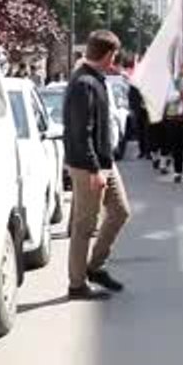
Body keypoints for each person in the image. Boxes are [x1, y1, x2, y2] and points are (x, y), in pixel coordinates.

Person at [62, 30, 130, 301]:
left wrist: (103, 165)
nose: (115, 59)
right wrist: (94, 170)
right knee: (84, 225)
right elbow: (82, 131)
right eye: (114, 54)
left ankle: (95, 266)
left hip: (104, 161)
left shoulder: (96, 79)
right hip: (88, 164)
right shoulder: (83, 83)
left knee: (120, 211)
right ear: (107, 54)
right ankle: (77, 285)